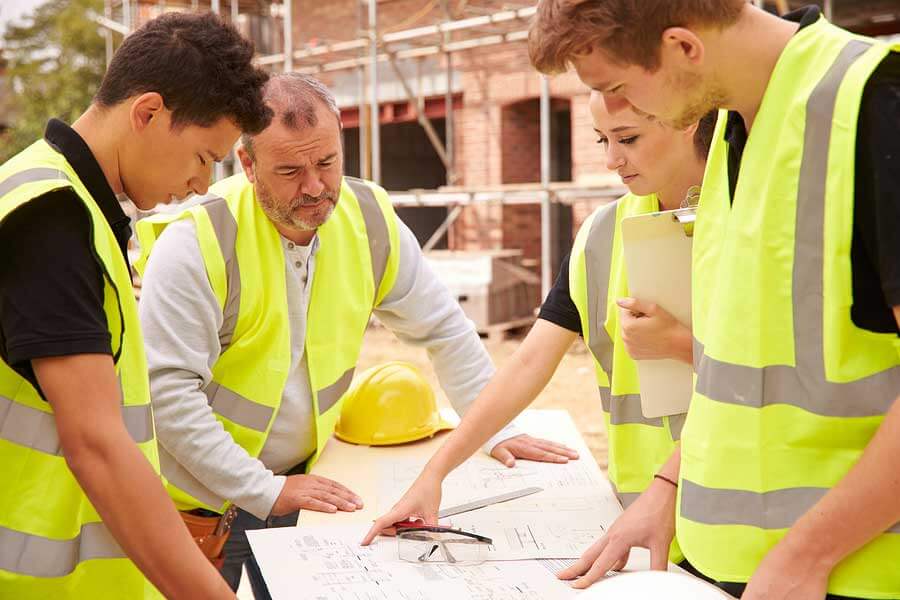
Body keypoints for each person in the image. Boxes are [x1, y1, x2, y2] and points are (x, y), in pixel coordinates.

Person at [134, 72, 577, 594]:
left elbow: (446, 328)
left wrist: (496, 428)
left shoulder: (367, 218)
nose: (315, 187)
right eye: (290, 170)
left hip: (309, 481)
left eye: (326, 163)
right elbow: (168, 396)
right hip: (204, 501)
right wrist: (265, 489)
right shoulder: (198, 242)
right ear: (248, 164)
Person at [529, 1, 900, 598]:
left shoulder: (875, 109)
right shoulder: (733, 131)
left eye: (622, 88)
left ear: (683, 47)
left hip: (850, 575)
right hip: (746, 571)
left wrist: (808, 555)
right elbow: (741, 368)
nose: (629, 113)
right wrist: (667, 490)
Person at [363, 91, 715, 583]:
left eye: (628, 138)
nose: (611, 160)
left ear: (686, 116)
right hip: (637, 516)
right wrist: (436, 473)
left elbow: (760, 372)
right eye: (602, 139)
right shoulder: (601, 234)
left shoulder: (744, 221)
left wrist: (680, 344)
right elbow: (527, 365)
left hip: (730, 515)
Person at [0, 12, 271, 600]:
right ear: (147, 113)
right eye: (203, 156)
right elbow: (96, 444)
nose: (203, 185)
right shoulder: (51, 219)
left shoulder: (70, 205)